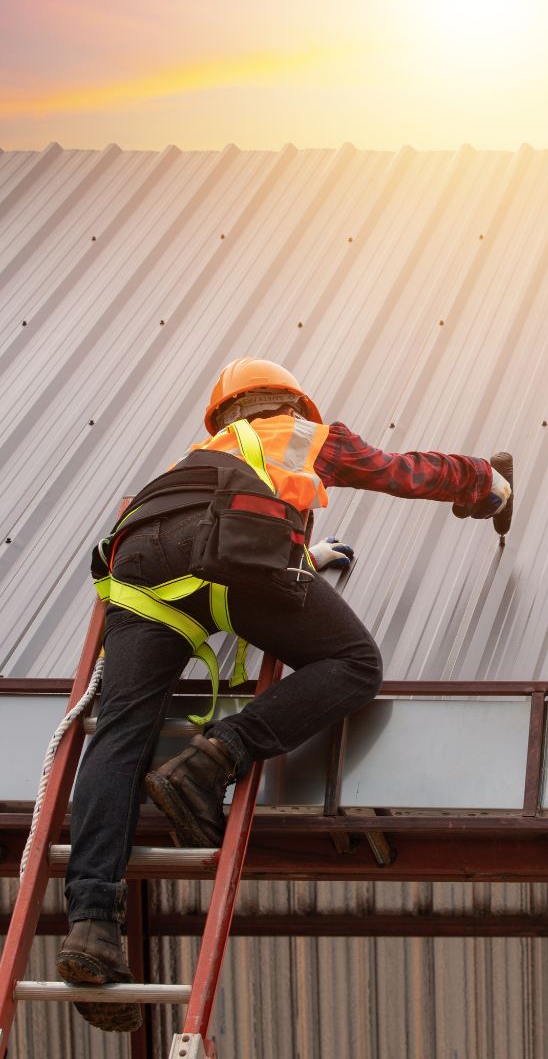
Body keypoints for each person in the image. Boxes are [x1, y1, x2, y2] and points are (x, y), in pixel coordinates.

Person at [55, 358, 511, 1033]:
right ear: (294, 402)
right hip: (231, 565)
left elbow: (214, 524)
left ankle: (90, 926)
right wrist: (487, 482)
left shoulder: (196, 457)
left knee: (119, 737)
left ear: (220, 416)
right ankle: (213, 759)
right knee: (355, 663)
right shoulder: (300, 434)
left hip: (142, 570)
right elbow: (401, 470)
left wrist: (308, 556)